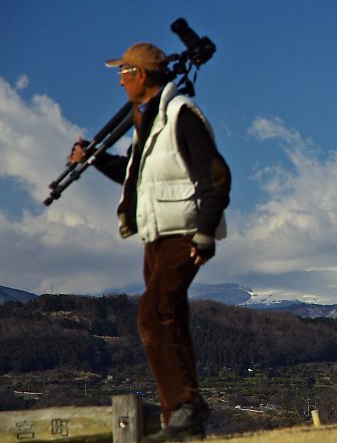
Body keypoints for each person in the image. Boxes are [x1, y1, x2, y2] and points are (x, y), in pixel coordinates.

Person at [69, 42, 231, 441]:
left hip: (184, 232)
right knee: (169, 317)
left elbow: (217, 176)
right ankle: (186, 419)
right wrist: (94, 159)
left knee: (152, 314)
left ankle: (185, 410)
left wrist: (206, 231)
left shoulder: (180, 116)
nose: (120, 81)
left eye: (122, 72)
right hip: (156, 234)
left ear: (139, 75)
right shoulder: (151, 122)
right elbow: (136, 176)